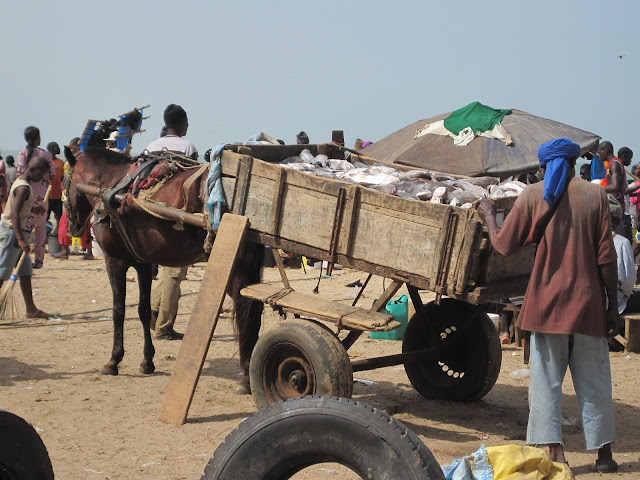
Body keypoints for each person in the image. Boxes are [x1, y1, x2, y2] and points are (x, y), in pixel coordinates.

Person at [478, 138, 619, 473]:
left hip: (547, 306)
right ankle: (604, 454)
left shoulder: (531, 196)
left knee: (546, 381)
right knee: (595, 380)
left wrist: (489, 216)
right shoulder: (595, 195)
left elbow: (503, 245)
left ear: (543, 167)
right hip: (588, 305)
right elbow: (606, 259)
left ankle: (555, 452)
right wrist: (612, 305)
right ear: (572, 163)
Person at [148, 104, 198, 340]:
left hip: (152, 215)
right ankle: (163, 327)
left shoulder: (151, 147)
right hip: (178, 217)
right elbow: (195, 183)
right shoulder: (188, 147)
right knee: (175, 273)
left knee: (167, 271)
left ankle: (153, 314)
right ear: (181, 123)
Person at [0, 156, 51, 318]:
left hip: (18, 233)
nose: (41, 177)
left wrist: (35, 211)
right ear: (32, 169)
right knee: (2, 273)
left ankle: (31, 309)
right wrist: (21, 239)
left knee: (26, 271)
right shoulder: (23, 187)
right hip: (13, 233)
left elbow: (19, 208)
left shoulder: (22, 182)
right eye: (40, 174)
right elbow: (14, 214)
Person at [17, 126, 53, 269]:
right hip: (42, 195)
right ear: (37, 138)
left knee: (25, 227)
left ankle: (21, 258)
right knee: (40, 229)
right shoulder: (46, 154)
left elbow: (19, 174)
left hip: (26, 194)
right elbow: (52, 175)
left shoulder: (22, 153)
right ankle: (39, 260)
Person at [46, 142, 64, 225]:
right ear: (52, 149)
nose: (59, 149)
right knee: (45, 217)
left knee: (59, 217)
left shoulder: (61, 162)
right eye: (57, 147)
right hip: (47, 196)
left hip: (58, 196)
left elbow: (62, 178)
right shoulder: (45, 162)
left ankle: (58, 234)